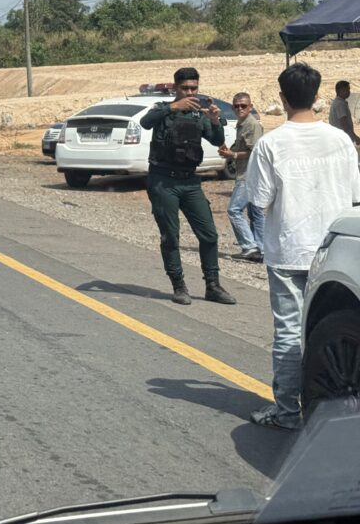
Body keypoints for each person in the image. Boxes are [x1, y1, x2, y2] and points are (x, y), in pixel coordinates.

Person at [246, 63, 360, 430]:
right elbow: (356, 195)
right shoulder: (340, 140)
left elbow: (259, 200)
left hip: (288, 250)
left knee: (289, 332)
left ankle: (286, 412)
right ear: (318, 97)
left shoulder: (270, 144)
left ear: (282, 98)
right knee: (324, 327)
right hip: (334, 249)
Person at [141, 67, 236, 305]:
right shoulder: (163, 110)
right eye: (185, 88)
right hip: (164, 181)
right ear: (175, 88)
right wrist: (173, 107)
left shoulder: (198, 114)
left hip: (190, 181)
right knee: (170, 236)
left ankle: (212, 286)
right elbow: (145, 122)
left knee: (209, 235)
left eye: (194, 88)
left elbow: (216, 140)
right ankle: (178, 285)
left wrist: (215, 121)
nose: (190, 92)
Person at [218, 93, 264, 262]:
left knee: (234, 209)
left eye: (243, 106)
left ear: (250, 107)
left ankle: (249, 247)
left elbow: (255, 151)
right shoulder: (242, 124)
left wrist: (234, 155)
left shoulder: (251, 125)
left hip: (249, 174)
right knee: (255, 212)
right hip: (248, 173)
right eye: (236, 106)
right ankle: (260, 248)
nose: (240, 109)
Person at [329, 80, 359, 146]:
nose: (349, 92)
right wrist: (355, 137)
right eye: (347, 89)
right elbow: (344, 124)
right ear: (341, 91)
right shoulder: (340, 104)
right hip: (342, 139)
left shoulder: (339, 102)